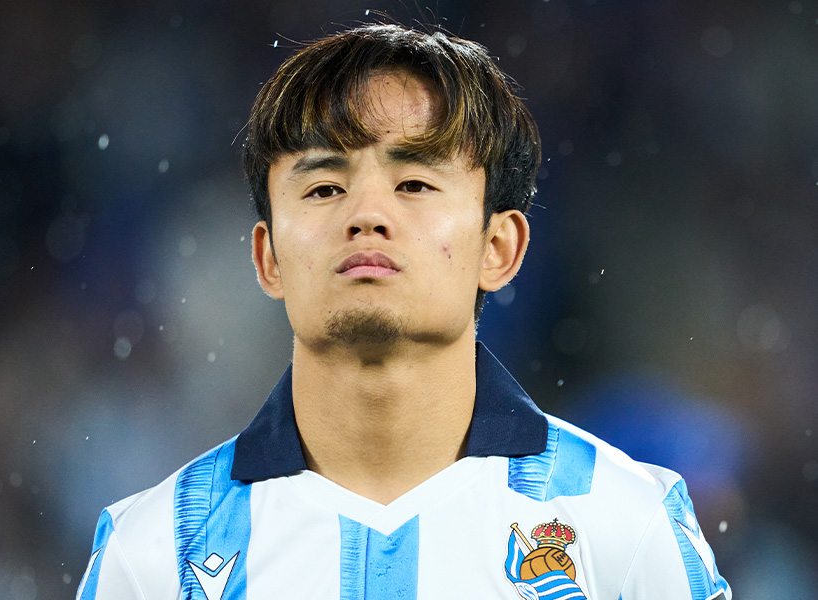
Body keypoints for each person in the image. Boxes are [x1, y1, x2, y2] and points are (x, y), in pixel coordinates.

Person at [77, 24, 732, 600]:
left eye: (414, 183)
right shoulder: (155, 551)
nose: (366, 214)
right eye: (324, 187)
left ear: (498, 248)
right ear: (268, 256)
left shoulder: (626, 526)